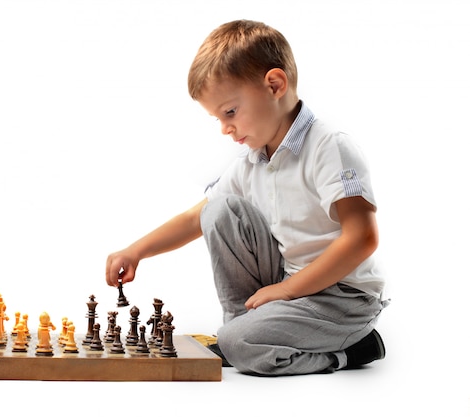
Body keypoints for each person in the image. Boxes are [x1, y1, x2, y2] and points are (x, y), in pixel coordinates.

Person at [105, 19, 388, 376]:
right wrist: (135, 251)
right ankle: (245, 331)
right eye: (218, 118)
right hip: (293, 283)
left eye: (230, 112)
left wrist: (286, 291)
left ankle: (352, 350)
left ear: (274, 85)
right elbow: (198, 218)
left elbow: (362, 238)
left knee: (238, 344)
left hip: (344, 299)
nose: (225, 128)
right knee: (220, 210)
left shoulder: (329, 146)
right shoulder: (253, 160)